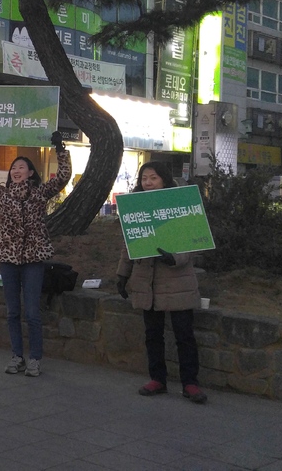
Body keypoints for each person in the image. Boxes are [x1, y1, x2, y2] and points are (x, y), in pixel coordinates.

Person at [0, 130, 70, 377]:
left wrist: (61, 151)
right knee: (13, 311)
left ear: (31, 173)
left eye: (22, 167)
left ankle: (35, 358)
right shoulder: (1, 194)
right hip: (8, 258)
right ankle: (17, 356)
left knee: (32, 311)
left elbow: (63, 177)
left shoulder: (39, 193)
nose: (16, 170)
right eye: (14, 167)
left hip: (34, 259)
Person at [116, 162, 207, 404]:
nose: (148, 182)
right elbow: (129, 245)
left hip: (177, 282)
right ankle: (158, 379)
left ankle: (190, 383)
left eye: (153, 177)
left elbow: (191, 241)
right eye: (144, 178)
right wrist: (122, 274)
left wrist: (174, 258)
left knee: (184, 335)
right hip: (147, 282)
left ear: (164, 180)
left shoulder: (180, 204)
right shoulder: (135, 206)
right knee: (152, 335)